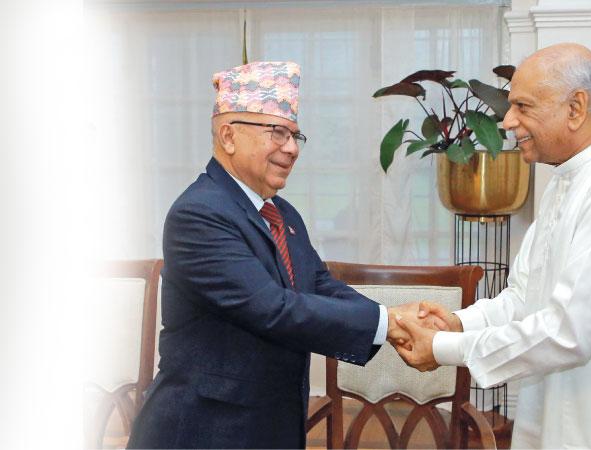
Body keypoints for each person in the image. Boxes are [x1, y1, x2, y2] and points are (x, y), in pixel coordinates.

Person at [393, 43, 591, 448]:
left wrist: (445, 347)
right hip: (559, 416)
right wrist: (461, 323)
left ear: (576, 108)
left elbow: (567, 333)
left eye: (522, 106)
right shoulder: (565, 181)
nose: (507, 122)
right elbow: (525, 297)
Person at [127, 61, 440, 449]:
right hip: (206, 430)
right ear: (228, 136)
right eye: (277, 133)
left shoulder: (282, 213)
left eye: (295, 135)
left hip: (271, 425)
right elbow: (272, 308)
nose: (292, 148)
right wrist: (387, 323)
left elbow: (318, 285)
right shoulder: (199, 214)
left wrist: (390, 317)